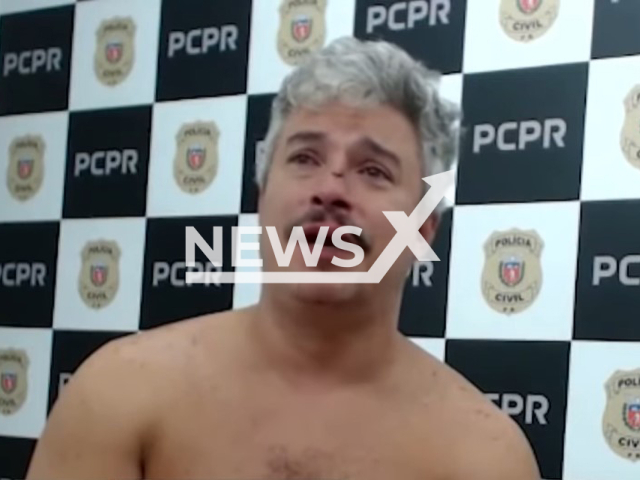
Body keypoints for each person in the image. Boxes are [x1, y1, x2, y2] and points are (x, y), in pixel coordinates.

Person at [26, 36, 541, 480]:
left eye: (374, 170)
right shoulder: (121, 392)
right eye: (304, 158)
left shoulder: (483, 457)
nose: (330, 189)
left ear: (423, 227)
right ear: (261, 196)